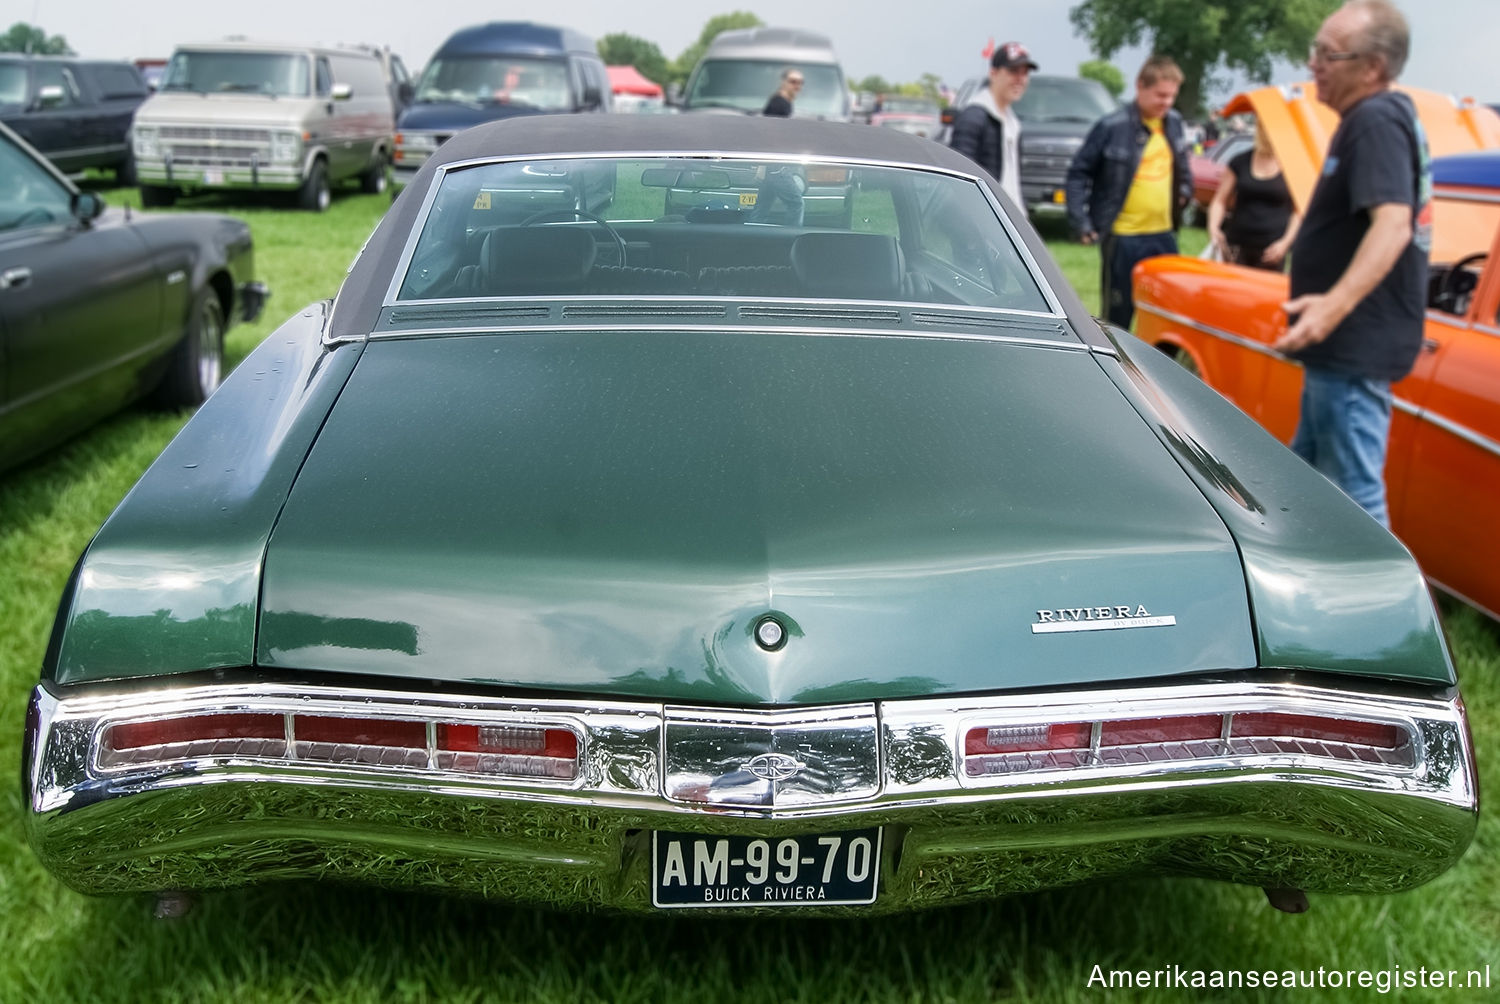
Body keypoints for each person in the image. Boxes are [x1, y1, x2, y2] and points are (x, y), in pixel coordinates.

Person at [1275, 0, 1431, 527]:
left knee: (1359, 502)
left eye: (1327, 53)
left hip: (1353, 347)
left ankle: (1390, 608)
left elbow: (1393, 224)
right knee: (1303, 478)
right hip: (1339, 351)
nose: (1313, 63)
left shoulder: (1375, 120)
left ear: (1373, 67)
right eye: (1314, 50)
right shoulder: (1374, 118)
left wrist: (1330, 310)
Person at [1064, 55, 1192, 328]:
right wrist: (1081, 220)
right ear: (1140, 87)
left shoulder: (1174, 123)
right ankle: (1116, 367)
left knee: (1165, 314)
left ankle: (1155, 367)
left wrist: (1184, 190)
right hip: (1123, 237)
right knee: (1118, 315)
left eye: (1172, 97)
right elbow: (1078, 173)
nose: (1166, 103)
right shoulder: (1112, 126)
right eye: (1160, 95)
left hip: (1164, 235)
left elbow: (1183, 164)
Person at [948, 41, 1037, 206]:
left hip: (1006, 217)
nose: (1020, 79)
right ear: (993, 74)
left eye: (1025, 73)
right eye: (1013, 71)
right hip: (984, 219)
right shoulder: (974, 117)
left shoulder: (1012, 123)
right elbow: (958, 182)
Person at [1207, 122, 1300, 271]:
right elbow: (1220, 200)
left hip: (1272, 250)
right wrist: (1213, 227)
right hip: (1237, 245)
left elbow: (1298, 211)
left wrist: (1285, 243)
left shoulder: (1292, 165)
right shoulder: (1240, 161)